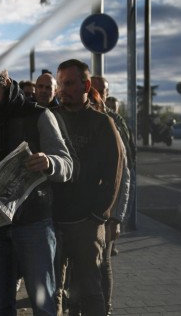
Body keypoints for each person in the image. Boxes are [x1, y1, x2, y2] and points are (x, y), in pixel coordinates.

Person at [0, 55, 74, 315]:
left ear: (6, 82)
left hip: (34, 222)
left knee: (43, 304)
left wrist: (49, 162)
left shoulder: (39, 115)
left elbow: (66, 164)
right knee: (1, 304)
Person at [51, 59, 123, 316]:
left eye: (69, 83)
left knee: (91, 290)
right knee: (53, 291)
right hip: (55, 221)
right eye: (60, 84)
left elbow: (115, 172)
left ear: (86, 84)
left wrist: (98, 215)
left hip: (86, 223)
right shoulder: (52, 119)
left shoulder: (102, 123)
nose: (62, 89)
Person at [90, 77, 135, 315]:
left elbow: (124, 173)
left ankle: (105, 308)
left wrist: (117, 216)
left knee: (104, 261)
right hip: (87, 210)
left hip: (108, 209)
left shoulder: (113, 122)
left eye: (100, 91)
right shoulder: (82, 118)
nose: (95, 94)